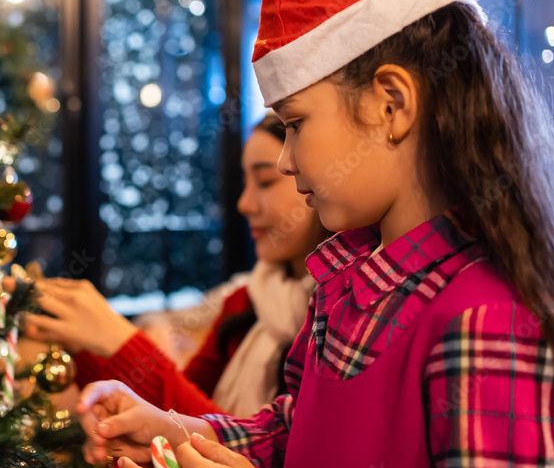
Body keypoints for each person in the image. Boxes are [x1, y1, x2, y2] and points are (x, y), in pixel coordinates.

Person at [75, 0, 554, 468]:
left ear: (390, 104)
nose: (287, 160)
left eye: (295, 123)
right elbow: (294, 436)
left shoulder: (485, 323)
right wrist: (180, 432)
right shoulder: (351, 285)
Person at [23, 113, 328, 417]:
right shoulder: (246, 302)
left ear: (317, 180)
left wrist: (121, 341)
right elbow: (175, 413)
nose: (244, 204)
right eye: (245, 183)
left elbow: (253, 454)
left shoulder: (338, 317)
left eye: (265, 181)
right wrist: (79, 339)